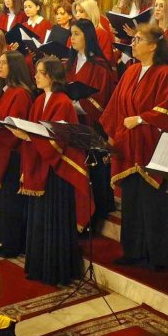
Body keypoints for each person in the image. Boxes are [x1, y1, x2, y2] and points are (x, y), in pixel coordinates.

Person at [100, 24, 168, 270]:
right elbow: (116, 106)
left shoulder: (166, 74)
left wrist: (141, 119)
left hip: (155, 148)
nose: (133, 43)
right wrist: (112, 136)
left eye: (139, 39)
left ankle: (160, 255)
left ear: (153, 46)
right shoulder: (131, 71)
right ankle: (133, 250)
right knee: (132, 200)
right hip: (129, 146)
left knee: (156, 203)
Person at [11, 58, 89, 285]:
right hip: (41, 164)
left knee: (54, 220)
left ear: (52, 77)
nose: (35, 76)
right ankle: (38, 266)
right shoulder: (39, 100)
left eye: (40, 73)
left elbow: (59, 140)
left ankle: (56, 269)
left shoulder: (62, 102)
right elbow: (36, 129)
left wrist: (28, 136)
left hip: (57, 170)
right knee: (39, 219)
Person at [67, 19, 116, 236]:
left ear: (87, 36)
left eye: (76, 33)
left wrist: (77, 105)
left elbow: (102, 96)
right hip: (72, 125)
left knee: (94, 171)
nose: (72, 38)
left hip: (91, 125)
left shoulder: (99, 65)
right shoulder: (68, 63)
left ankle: (95, 215)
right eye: (71, 34)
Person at [0, 51, 34, 258]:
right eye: (0, 62)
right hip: (1, 149)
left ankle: (14, 242)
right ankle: (7, 239)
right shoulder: (6, 91)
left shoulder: (21, 93)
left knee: (11, 201)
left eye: (4, 63)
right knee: (4, 201)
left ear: (14, 67)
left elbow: (17, 125)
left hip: (13, 153)